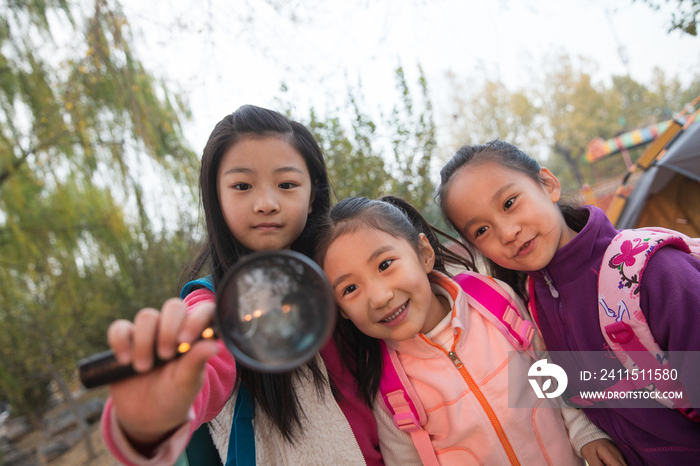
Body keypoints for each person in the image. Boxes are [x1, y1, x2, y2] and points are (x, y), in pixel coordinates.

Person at [100, 105, 385, 465]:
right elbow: (199, 376)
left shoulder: (343, 277)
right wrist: (153, 414)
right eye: (242, 186)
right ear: (216, 198)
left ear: (313, 194)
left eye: (286, 184)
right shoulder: (211, 304)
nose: (266, 203)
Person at [436, 140, 700, 466]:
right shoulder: (533, 302)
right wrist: (589, 435)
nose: (506, 232)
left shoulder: (652, 272)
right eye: (482, 229)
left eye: (509, 203)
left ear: (548, 184)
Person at [315, 195, 626, 466]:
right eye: (351, 288)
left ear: (424, 253)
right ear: (341, 309)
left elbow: (546, 369)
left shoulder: (491, 301)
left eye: (385, 265)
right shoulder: (388, 385)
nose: (379, 297)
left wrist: (584, 432)